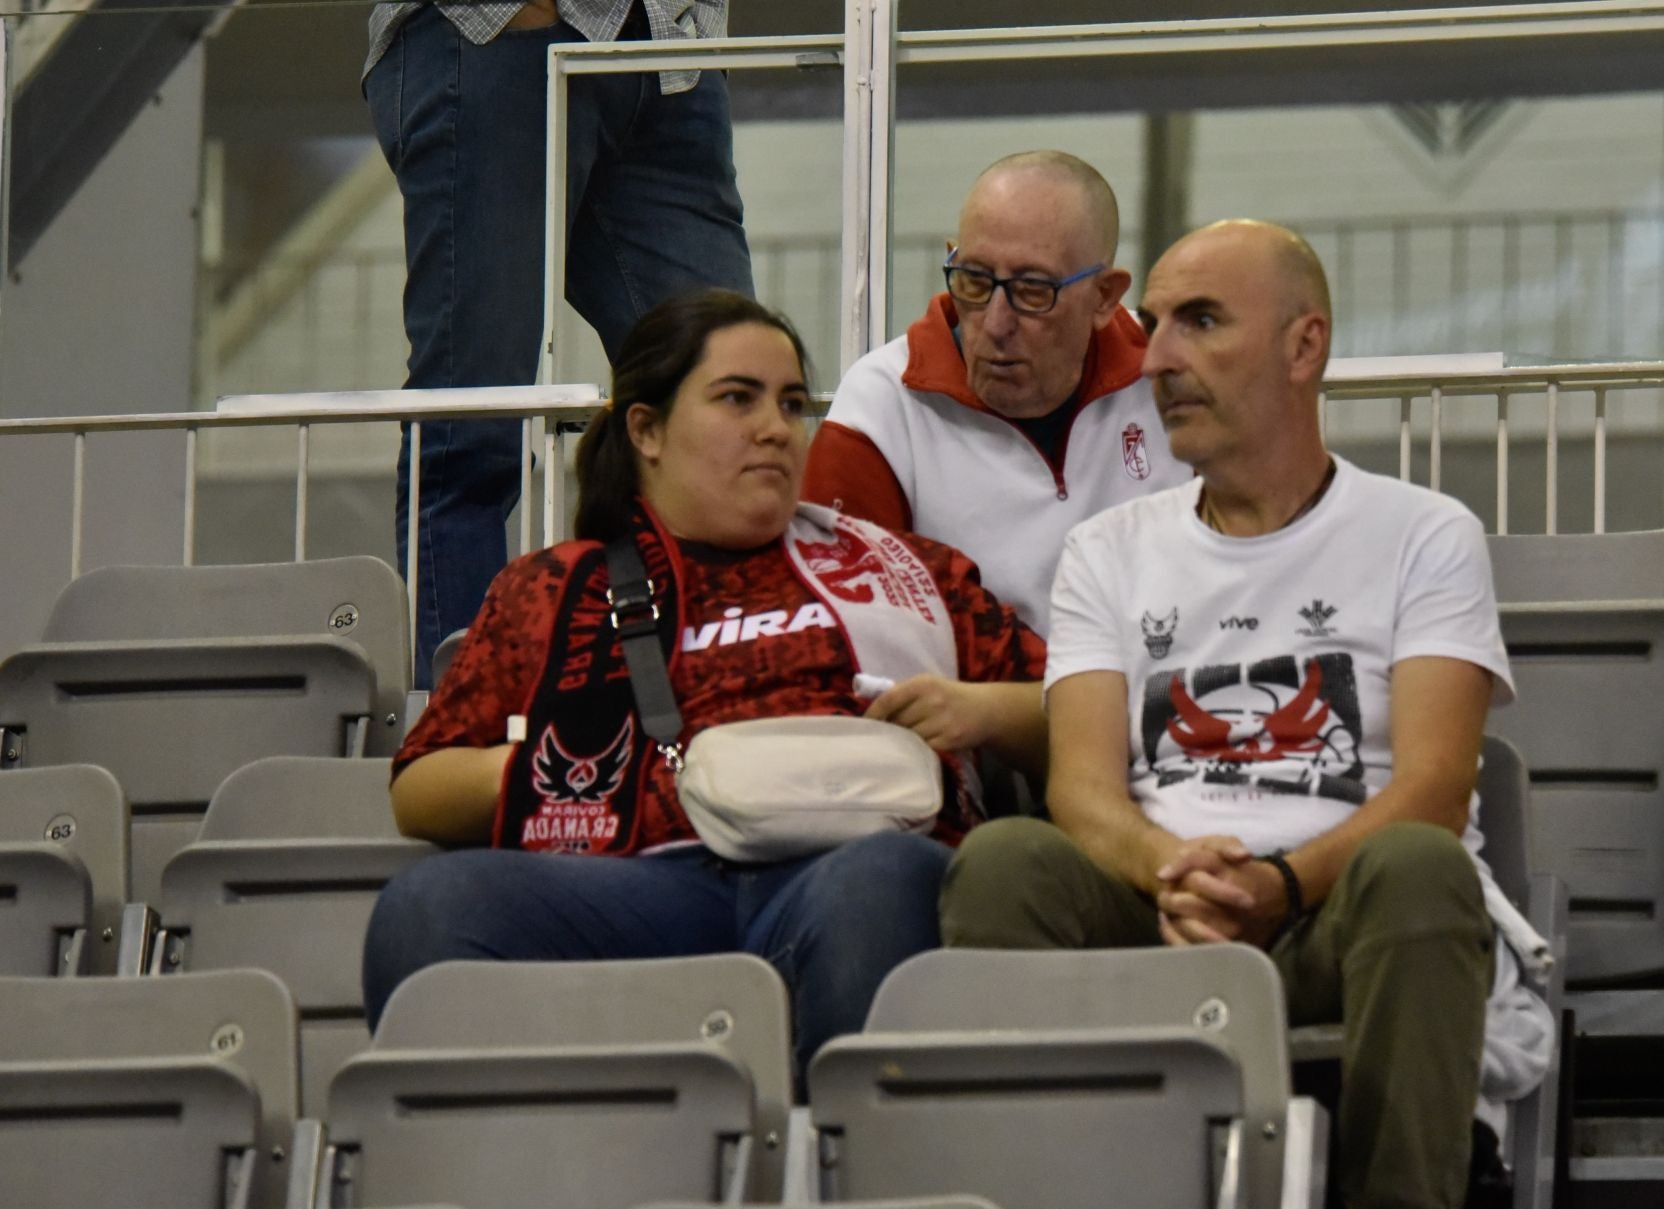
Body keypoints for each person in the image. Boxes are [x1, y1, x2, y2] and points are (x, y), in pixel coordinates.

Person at [939, 221, 1555, 1209]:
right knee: (1001, 862)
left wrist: (1275, 885)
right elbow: (1082, 789)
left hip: (1334, 914)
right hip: (1157, 909)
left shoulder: (1424, 531)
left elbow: (1433, 785)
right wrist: (1176, 874)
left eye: (1202, 321)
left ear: (1303, 346)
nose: (1160, 355)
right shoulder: (1108, 550)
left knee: (1421, 864)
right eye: (1154, 323)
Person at [366, 290, 1047, 1071]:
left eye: (791, 404)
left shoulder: (905, 567)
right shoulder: (553, 587)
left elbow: (1076, 714)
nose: (775, 428)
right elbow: (419, 785)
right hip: (646, 879)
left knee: (878, 883)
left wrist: (981, 709)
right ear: (647, 430)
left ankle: (853, 1170)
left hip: (852, 861)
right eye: (737, 398)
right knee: (428, 906)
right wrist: (563, 769)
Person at [364, 0, 755, 683]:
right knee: (472, 434)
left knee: (729, 409)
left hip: (672, 48)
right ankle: (469, 733)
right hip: (497, 31)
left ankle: (722, 699)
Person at [800, 150, 1190, 633]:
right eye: (974, 280)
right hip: (965, 703)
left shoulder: (1173, 376)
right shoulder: (879, 409)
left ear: (1104, 296)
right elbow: (849, 638)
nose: (996, 322)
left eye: (1032, 291)